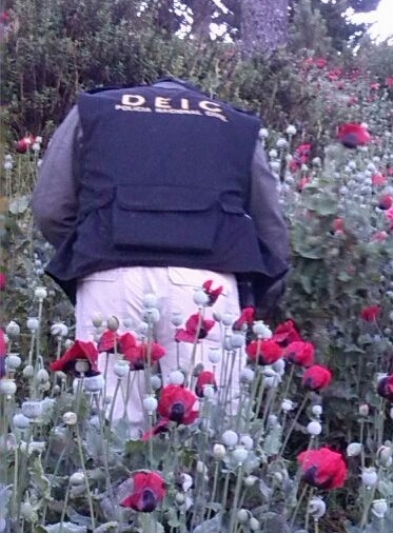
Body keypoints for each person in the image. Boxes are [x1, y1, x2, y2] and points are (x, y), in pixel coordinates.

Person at [32, 76, 290, 431]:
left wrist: (91, 252)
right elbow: (271, 229)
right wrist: (260, 296)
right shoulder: (235, 122)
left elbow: (50, 209)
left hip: (110, 278)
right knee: (205, 441)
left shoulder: (94, 109)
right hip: (206, 288)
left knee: (113, 438)